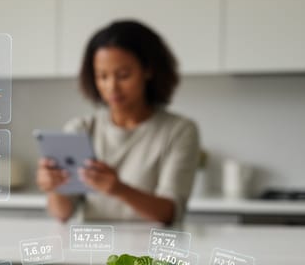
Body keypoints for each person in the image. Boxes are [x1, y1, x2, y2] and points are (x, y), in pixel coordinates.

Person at [37, 20, 201, 225]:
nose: (112, 87)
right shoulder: (80, 129)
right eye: (102, 76)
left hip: (150, 245)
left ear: (148, 70)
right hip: (93, 243)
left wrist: (118, 189)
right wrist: (55, 187)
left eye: (123, 75)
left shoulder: (179, 131)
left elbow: (169, 213)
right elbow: (62, 213)